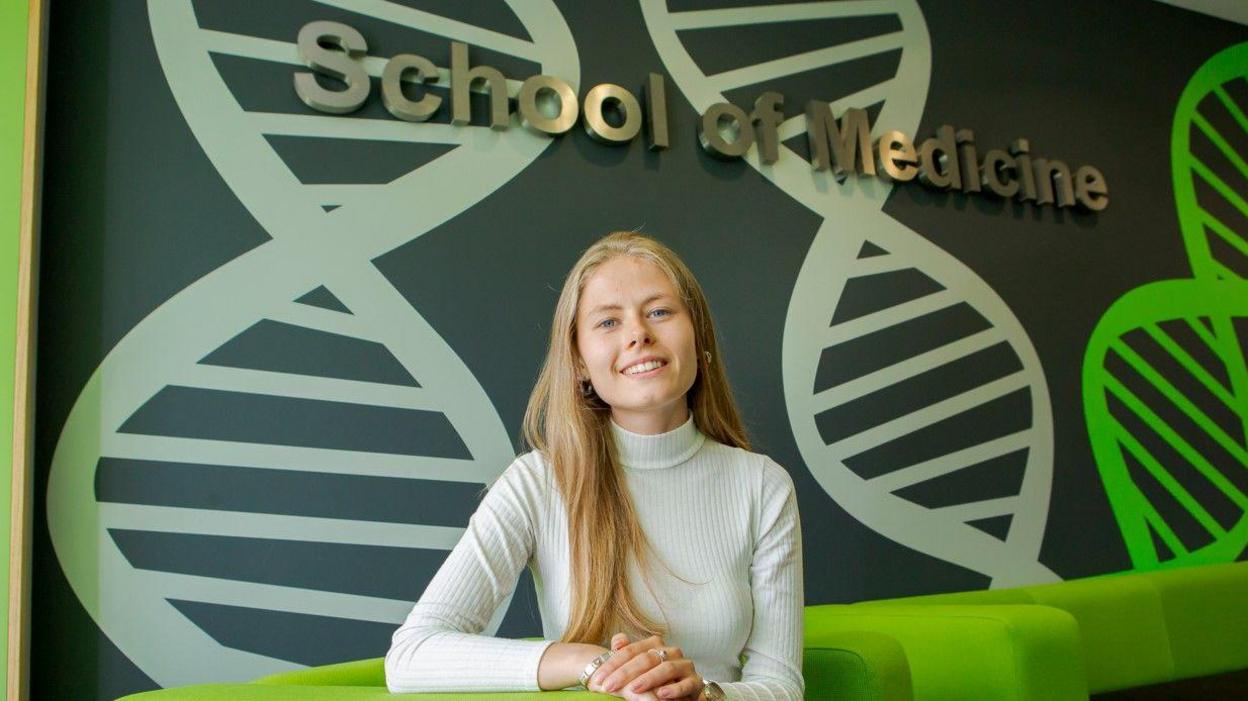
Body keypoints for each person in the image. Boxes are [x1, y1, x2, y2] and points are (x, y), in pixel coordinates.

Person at [386, 232, 804, 700]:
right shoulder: (538, 483)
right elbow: (412, 655)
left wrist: (708, 695)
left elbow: (782, 685)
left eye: (660, 312)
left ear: (699, 336)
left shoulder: (763, 485)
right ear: (580, 362)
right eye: (607, 322)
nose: (638, 334)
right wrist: (589, 662)